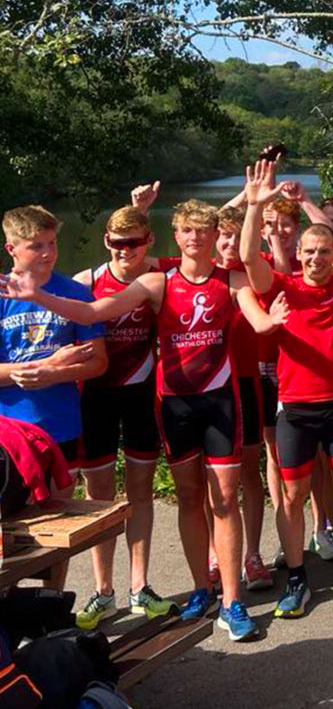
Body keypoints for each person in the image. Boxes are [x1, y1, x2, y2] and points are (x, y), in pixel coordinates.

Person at [0, 199, 280, 642]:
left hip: (219, 403)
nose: (194, 238)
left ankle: (232, 600)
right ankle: (199, 591)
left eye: (202, 231)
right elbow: (94, 313)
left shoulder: (230, 278)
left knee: (224, 499)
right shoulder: (156, 281)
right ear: (177, 234)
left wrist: (254, 207)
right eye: (186, 231)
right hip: (171, 406)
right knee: (187, 498)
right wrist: (35, 297)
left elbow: (260, 304)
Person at [241, 152, 333, 617]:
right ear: (299, 254)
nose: (316, 258)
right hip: (296, 409)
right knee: (292, 494)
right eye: (309, 252)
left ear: (332, 255)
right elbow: (247, 257)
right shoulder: (283, 287)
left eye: (324, 251)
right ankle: (297, 577)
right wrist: (253, 206)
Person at [72, 205, 177, 628]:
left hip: (139, 397)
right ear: (106, 243)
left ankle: (140, 586)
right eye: (117, 243)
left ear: (148, 241)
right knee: (97, 498)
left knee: (140, 494)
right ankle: (103, 592)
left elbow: (202, 246)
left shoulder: (157, 278)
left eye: (134, 243)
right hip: (95, 397)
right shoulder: (87, 282)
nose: (125, 251)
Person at [0, 205, 108, 594]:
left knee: (56, 526)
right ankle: (8, 619)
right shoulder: (1, 295)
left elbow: (97, 362)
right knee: (9, 531)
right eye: (36, 246)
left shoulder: (74, 294)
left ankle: (51, 605)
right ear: (11, 248)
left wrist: (53, 373)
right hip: (9, 434)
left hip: (60, 427)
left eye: (52, 244)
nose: (48, 254)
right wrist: (43, 365)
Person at [213, 205, 273, 593]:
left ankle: (252, 555)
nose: (231, 243)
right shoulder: (195, 271)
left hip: (248, 381)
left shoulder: (256, 267)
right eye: (224, 236)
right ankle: (216, 557)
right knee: (212, 482)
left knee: (250, 472)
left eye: (237, 236)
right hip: (209, 388)